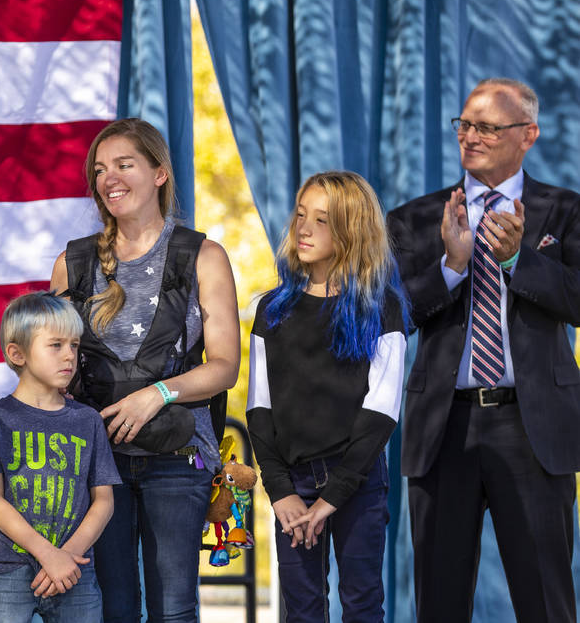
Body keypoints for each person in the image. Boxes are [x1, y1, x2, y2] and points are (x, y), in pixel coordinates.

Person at [387, 78, 580, 622]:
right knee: (440, 603)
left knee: (546, 602)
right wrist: (450, 267)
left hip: (533, 427)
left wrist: (520, 260)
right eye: (464, 125)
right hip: (443, 428)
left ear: (528, 135)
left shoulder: (565, 211)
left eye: (487, 128)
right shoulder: (416, 218)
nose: (470, 137)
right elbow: (390, 317)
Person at [49, 117, 241, 622]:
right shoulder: (73, 263)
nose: (109, 178)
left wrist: (158, 393)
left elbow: (224, 367)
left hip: (177, 458)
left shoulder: (203, 255)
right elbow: (51, 364)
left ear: (159, 173)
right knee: (113, 608)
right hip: (97, 464)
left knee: (174, 609)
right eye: (99, 169)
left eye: (124, 165)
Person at [246, 171, 408, 621]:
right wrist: (280, 492)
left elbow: (381, 412)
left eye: (322, 219)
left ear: (351, 231)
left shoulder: (382, 307)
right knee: (302, 608)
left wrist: (333, 496)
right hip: (291, 486)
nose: (304, 228)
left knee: (361, 603)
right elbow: (260, 408)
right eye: (301, 215)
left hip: (357, 483)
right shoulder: (271, 309)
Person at [0, 291, 119, 623]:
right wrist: (48, 554)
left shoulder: (88, 420)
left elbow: (104, 500)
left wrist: (67, 556)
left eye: (75, 346)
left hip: (75, 572)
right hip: (9, 571)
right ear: (17, 353)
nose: (69, 356)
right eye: (56, 345)